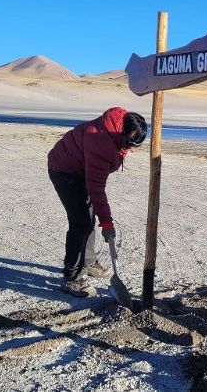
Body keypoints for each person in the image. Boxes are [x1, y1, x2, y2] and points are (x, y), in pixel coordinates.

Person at [47, 107, 147, 298]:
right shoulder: (101, 143)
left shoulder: (117, 128)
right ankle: (71, 277)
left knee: (89, 217)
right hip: (63, 170)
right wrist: (107, 223)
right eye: (130, 143)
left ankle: (88, 261)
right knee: (81, 222)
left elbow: (94, 185)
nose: (131, 148)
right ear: (123, 133)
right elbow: (96, 188)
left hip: (80, 168)